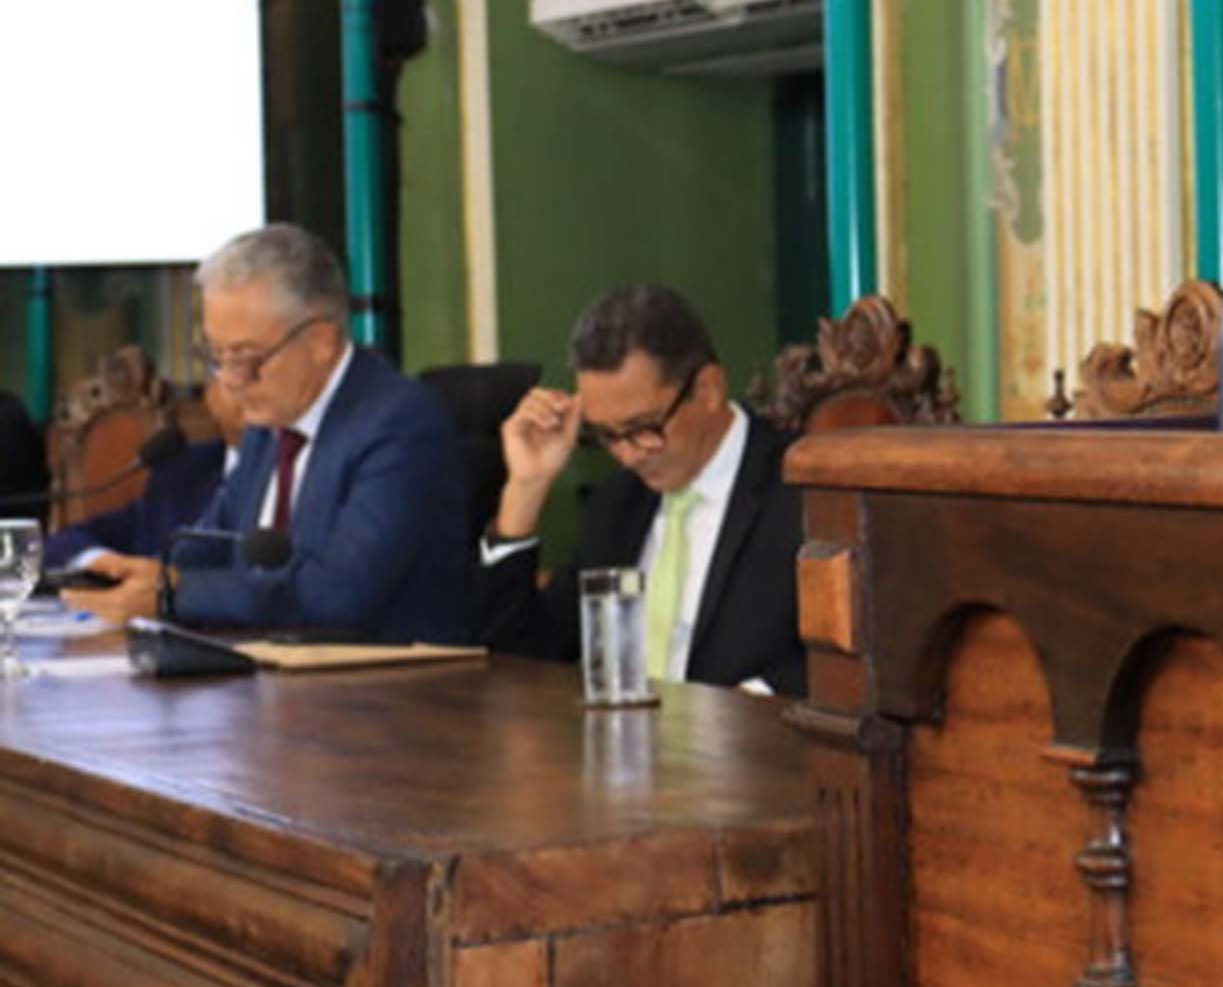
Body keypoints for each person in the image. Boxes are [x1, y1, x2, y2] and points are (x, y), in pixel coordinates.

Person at [67, 225, 469, 641]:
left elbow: (340, 592)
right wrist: (140, 578)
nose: (230, 380)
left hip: (392, 692)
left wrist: (174, 592)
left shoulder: (398, 424)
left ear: (320, 342)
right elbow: (209, 547)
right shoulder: (271, 422)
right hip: (272, 682)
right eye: (215, 355)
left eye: (245, 357)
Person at [477, 285, 806, 694]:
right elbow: (521, 660)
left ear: (707, 390)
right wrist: (526, 488)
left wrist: (749, 706)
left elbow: (864, 661)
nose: (628, 456)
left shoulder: (804, 491)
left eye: (642, 429)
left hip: (754, 749)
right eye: (606, 436)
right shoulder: (617, 504)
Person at [44, 376, 244, 576]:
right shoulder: (182, 471)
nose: (251, 389)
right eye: (229, 366)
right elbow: (70, 540)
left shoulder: (273, 482)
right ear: (211, 396)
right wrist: (105, 564)